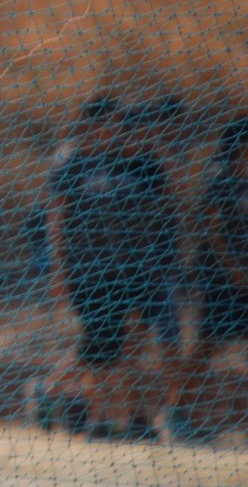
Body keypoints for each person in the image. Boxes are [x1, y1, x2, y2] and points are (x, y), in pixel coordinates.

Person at [37, 93, 180, 441]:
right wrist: (59, 271)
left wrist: (152, 151)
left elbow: (169, 204)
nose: (115, 130)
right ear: (90, 124)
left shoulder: (137, 161)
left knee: (129, 344)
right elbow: (56, 217)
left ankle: (133, 417)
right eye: (108, 123)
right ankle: (99, 419)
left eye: (119, 124)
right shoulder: (71, 161)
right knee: (103, 343)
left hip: (136, 268)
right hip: (88, 268)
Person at [175, 117, 248, 441]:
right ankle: (177, 412)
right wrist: (234, 269)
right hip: (222, 280)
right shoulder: (220, 178)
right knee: (207, 347)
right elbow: (213, 230)